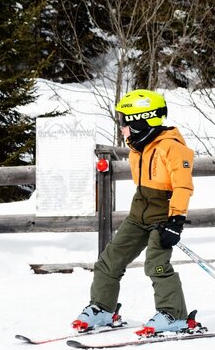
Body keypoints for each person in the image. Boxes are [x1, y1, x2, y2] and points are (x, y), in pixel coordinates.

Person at [72, 89, 198, 336]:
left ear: (142, 121)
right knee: (109, 260)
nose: (122, 128)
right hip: (138, 213)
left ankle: (174, 315)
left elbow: (183, 186)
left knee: (156, 265)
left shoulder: (172, 148)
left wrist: (176, 220)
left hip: (163, 216)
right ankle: (102, 308)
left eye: (124, 122)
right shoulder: (137, 149)